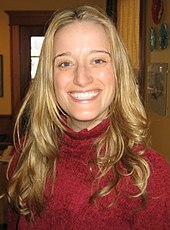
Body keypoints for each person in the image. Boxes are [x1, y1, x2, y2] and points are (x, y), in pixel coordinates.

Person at [6, 5, 170, 230]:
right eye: (65, 63)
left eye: (98, 60)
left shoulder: (149, 175)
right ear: (49, 79)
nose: (82, 78)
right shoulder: (27, 157)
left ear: (118, 72)